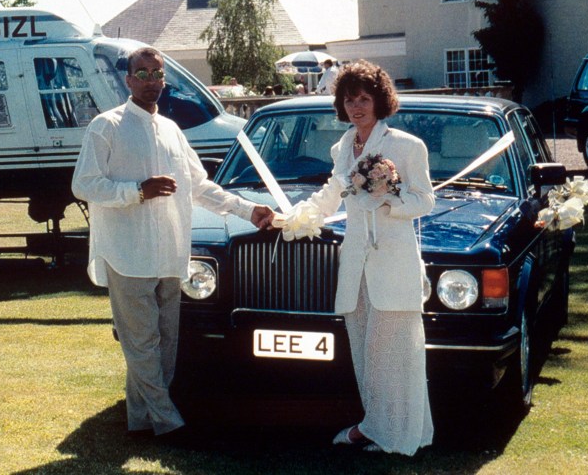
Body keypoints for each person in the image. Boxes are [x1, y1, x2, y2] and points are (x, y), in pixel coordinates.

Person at [72, 46, 275, 442]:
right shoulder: (106, 126)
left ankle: (141, 421)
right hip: (127, 252)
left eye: (157, 74)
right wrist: (137, 191)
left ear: (165, 80)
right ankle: (168, 422)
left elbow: (199, 186)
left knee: (164, 344)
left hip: (170, 249)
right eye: (142, 74)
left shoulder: (172, 130)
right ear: (128, 81)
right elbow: (84, 185)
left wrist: (248, 210)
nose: (151, 81)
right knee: (142, 343)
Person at [297, 59, 434, 455]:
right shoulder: (343, 146)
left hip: (393, 261)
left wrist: (390, 197)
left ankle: (385, 432)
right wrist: (297, 217)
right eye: (349, 99)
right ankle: (379, 426)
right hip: (355, 261)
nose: (356, 107)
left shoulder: (407, 146)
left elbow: (425, 199)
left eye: (364, 98)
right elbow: (333, 192)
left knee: (393, 355)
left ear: (379, 101)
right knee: (364, 354)